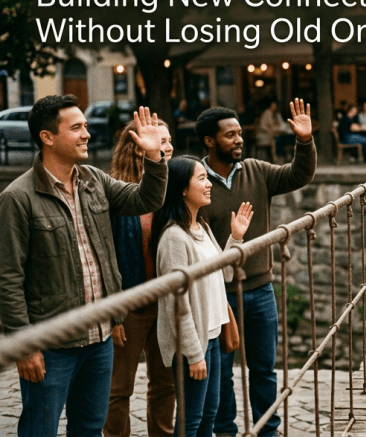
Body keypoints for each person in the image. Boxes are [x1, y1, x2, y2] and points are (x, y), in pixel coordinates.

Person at [0, 97, 168, 437]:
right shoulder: (18, 198)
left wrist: (154, 157)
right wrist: (23, 343)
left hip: (99, 339)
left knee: (90, 429)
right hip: (52, 343)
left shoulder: (94, 180)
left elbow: (146, 199)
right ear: (47, 137)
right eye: (76, 127)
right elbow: (7, 277)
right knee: (40, 430)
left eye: (86, 126)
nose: (87, 134)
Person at [196, 100, 316, 437]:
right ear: (209, 141)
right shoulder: (197, 180)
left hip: (260, 289)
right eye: (230, 135)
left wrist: (304, 140)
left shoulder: (256, 170)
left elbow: (298, 175)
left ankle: (268, 431)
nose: (239, 139)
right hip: (218, 293)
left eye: (239, 133)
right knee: (221, 371)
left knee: (264, 368)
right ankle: (225, 431)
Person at [154, 156, 253, 437]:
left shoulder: (202, 227)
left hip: (212, 334)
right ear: (182, 189)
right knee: (191, 420)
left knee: (209, 413)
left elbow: (224, 275)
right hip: (193, 343)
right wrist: (193, 354)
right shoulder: (174, 238)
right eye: (201, 178)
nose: (209, 184)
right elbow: (176, 303)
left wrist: (235, 238)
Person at [105, 119, 177, 437]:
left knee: (165, 384)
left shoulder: (174, 190)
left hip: (166, 303)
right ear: (138, 148)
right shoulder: (114, 194)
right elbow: (106, 258)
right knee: (118, 388)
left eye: (169, 140)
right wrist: (113, 315)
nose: (168, 147)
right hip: (129, 306)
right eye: (161, 141)